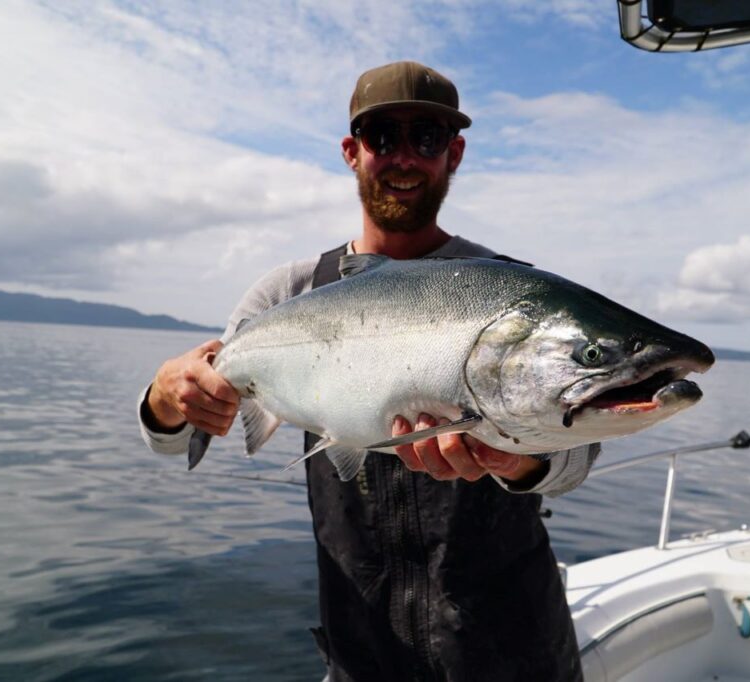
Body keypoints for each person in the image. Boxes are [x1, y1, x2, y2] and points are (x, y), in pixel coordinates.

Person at [139, 61, 598, 682]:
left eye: (426, 139)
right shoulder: (287, 294)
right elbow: (177, 433)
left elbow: (581, 449)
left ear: (454, 154)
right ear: (352, 152)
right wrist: (167, 397)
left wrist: (520, 461)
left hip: (515, 652)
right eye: (383, 138)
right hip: (364, 654)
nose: (404, 158)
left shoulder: (508, 292)